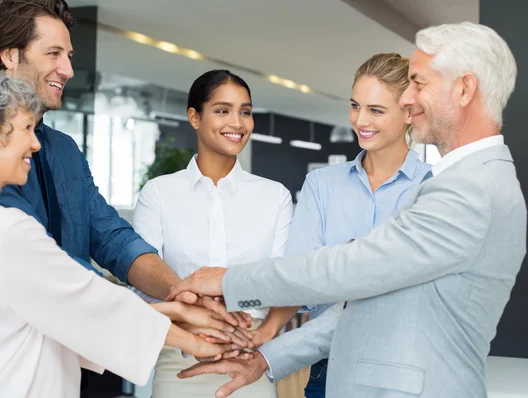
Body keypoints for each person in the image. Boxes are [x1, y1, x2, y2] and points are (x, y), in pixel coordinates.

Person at [169, 22, 526, 398]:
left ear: (464, 88)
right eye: (357, 106)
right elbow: (364, 302)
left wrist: (230, 281)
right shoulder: (473, 180)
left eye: (419, 83)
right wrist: (267, 357)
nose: (408, 98)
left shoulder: (467, 188)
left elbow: (355, 268)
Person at [0, 0, 249, 327]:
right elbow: (36, 261)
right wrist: (169, 313)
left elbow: (111, 237)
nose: (67, 70)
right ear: (10, 55)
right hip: (1, 354)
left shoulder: (64, 149)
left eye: (68, 57)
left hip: (72, 353)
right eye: (53, 54)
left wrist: (178, 291)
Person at [0, 66, 238, 397]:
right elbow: (91, 306)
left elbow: (56, 320)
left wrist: (174, 311)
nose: (35, 144)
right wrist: (203, 343)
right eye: (24, 129)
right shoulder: (6, 230)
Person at [260, 52, 430, 398]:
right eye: (355, 106)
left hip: (407, 371)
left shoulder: (431, 188)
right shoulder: (322, 185)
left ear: (409, 113)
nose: (360, 120)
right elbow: (301, 276)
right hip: (330, 367)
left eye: (376, 110)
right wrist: (267, 330)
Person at [133, 69, 293, 398]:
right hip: (179, 360)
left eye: (245, 112)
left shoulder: (274, 196)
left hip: (248, 361)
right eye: (222, 110)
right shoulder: (159, 193)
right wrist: (195, 322)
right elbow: (143, 280)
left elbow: (284, 279)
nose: (237, 122)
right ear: (194, 117)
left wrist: (260, 332)